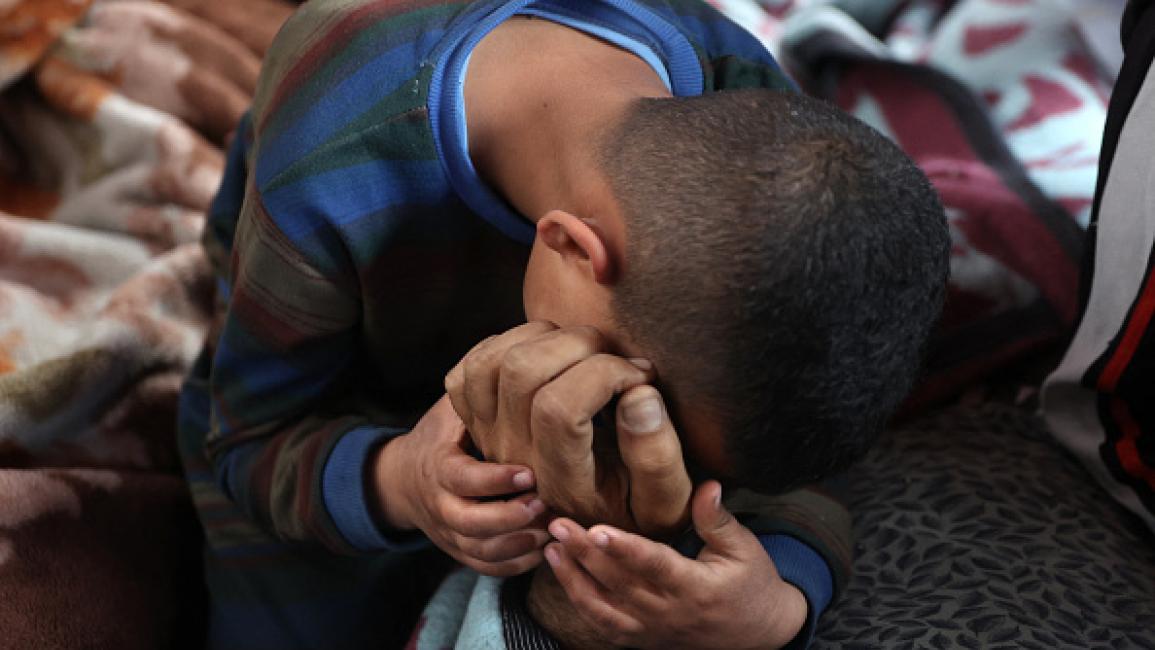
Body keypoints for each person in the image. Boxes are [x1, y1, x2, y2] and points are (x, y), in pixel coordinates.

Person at [176, 1, 949, 647]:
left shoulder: (762, 129)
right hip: (350, 401)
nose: (649, 455)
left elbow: (785, 432)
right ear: (572, 247)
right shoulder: (328, 165)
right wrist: (406, 481)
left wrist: (775, 606)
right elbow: (247, 438)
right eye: (636, 409)